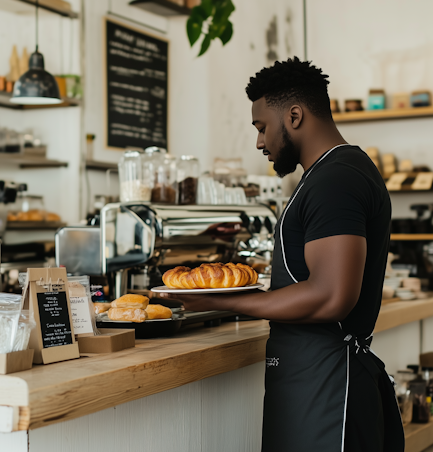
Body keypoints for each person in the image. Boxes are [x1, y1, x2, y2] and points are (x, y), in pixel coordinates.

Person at [160, 57, 404, 452]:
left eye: (261, 127)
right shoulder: (328, 174)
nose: (259, 142)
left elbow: (331, 296)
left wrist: (216, 301)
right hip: (310, 381)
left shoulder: (336, 180)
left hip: (329, 389)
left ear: (294, 116)